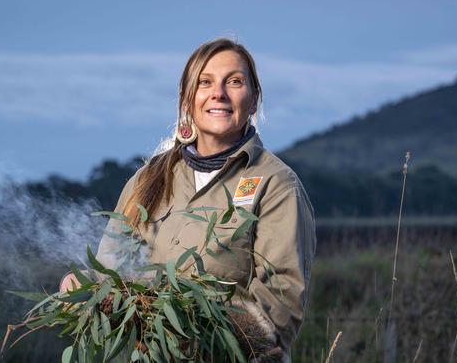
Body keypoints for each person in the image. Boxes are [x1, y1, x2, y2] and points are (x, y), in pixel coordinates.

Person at [60, 38, 317, 362]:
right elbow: (113, 273)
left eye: (234, 82)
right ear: (187, 99)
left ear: (254, 100)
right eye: (205, 82)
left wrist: (190, 329)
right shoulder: (147, 180)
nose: (218, 93)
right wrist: (87, 291)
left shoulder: (276, 185)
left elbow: (280, 311)